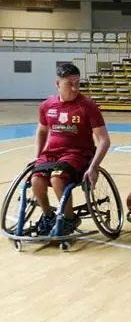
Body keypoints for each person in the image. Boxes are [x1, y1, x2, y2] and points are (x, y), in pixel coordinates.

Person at [31, 63, 111, 236]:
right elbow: (42, 131)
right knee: (36, 179)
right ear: (58, 84)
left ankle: (69, 218)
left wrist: (94, 166)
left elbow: (104, 140)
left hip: (77, 154)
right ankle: (48, 215)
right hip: (52, 154)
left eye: (78, 83)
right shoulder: (47, 106)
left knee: (57, 178)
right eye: (70, 83)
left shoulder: (87, 105)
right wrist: (37, 158)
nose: (75, 88)